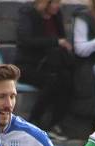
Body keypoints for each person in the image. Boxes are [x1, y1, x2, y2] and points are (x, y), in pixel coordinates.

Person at [15, 0, 74, 137]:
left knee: (67, 79)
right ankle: (34, 120)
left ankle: (54, 124)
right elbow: (26, 40)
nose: (57, 6)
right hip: (28, 65)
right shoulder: (29, 14)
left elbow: (62, 37)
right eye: (54, 3)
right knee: (53, 80)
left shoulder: (56, 16)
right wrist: (55, 42)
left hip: (51, 64)